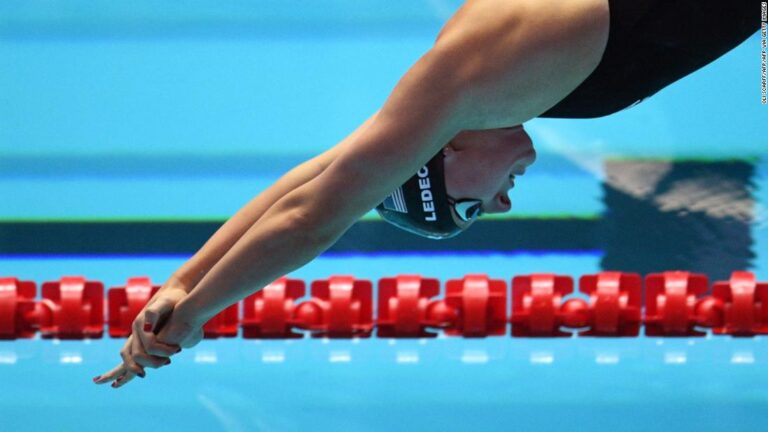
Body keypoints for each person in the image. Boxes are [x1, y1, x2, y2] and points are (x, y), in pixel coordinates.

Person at [93, 0, 759, 388]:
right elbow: (310, 179)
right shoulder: (462, 93)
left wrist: (193, 315)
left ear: (440, 159)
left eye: (469, 209)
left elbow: (309, 217)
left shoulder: (471, 83)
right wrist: (178, 283)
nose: (502, 207)